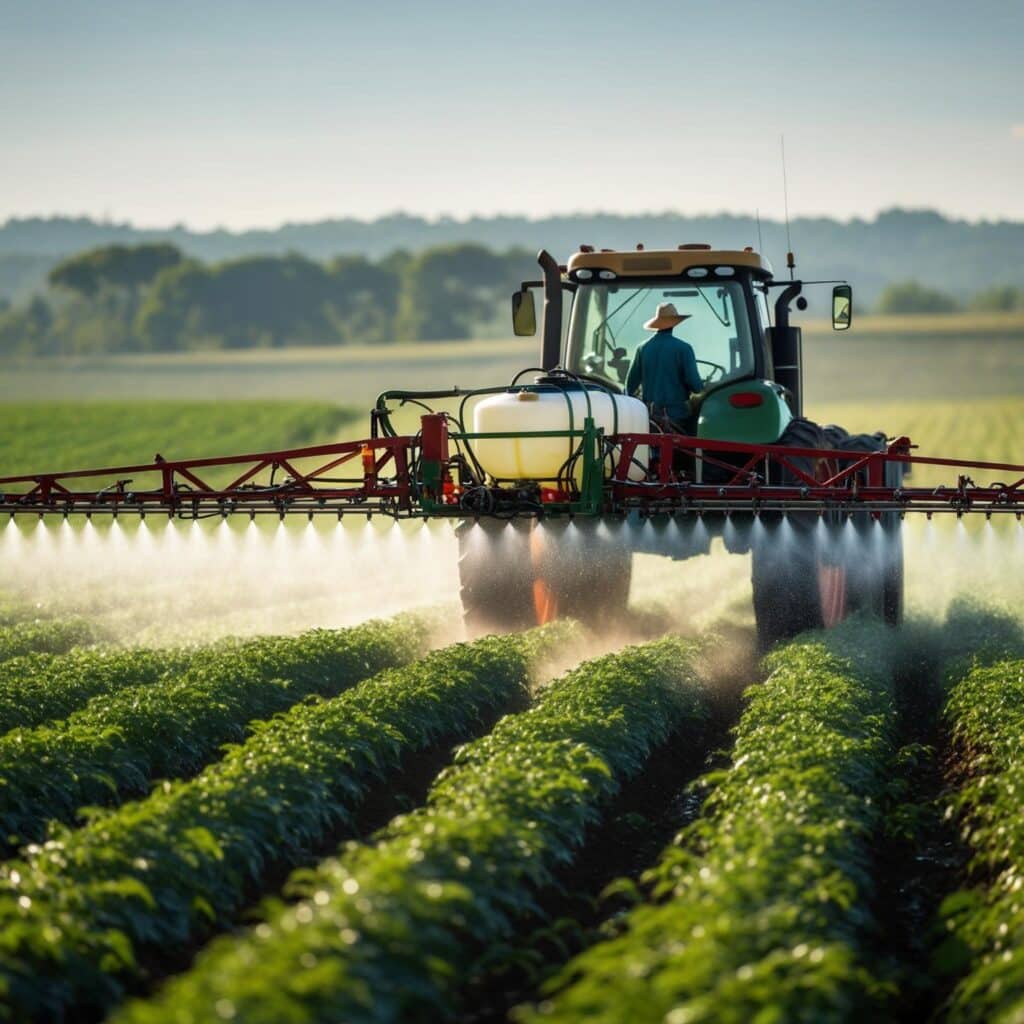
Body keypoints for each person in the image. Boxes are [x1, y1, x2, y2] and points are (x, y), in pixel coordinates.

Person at [626, 302, 703, 431]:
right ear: (674, 323)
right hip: (677, 417)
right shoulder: (684, 348)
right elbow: (696, 386)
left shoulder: (642, 348)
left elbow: (629, 387)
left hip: (649, 417)